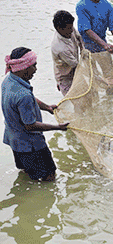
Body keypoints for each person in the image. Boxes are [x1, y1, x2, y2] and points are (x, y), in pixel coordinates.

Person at [2, 47, 69, 181]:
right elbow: (30, 126)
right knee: (49, 176)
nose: (36, 70)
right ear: (24, 68)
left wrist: (47, 107)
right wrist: (58, 127)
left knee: (28, 171)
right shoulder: (23, 95)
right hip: (31, 145)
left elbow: (29, 98)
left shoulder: (9, 81)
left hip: (15, 140)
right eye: (33, 66)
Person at [51, 10, 84, 96]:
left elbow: (79, 37)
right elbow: (77, 66)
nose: (71, 30)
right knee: (75, 101)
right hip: (65, 78)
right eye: (69, 29)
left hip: (75, 69)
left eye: (71, 27)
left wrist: (83, 50)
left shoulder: (69, 28)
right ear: (59, 29)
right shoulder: (60, 48)